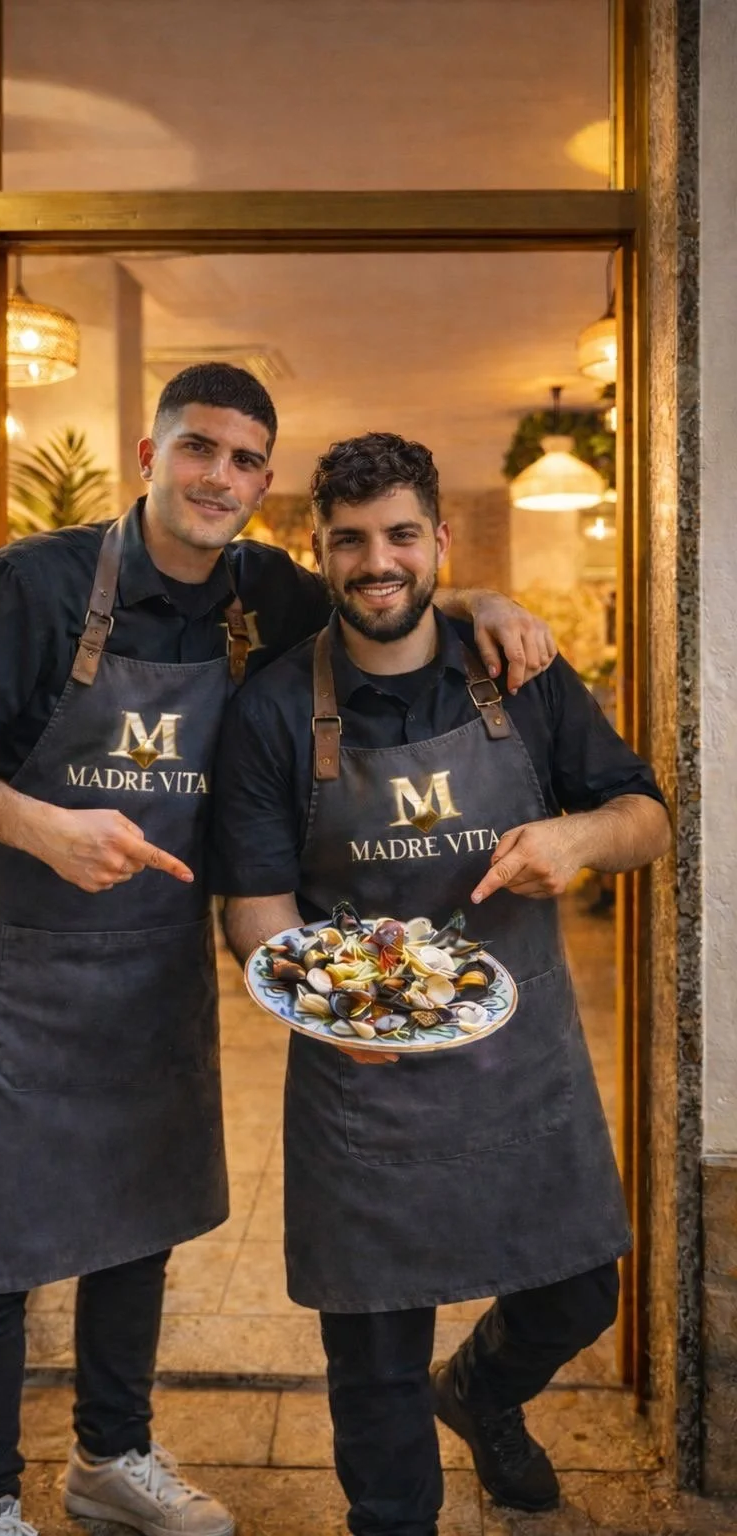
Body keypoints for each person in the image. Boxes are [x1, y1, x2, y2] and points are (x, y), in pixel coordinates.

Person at [0, 373, 555, 1536]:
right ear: (149, 451)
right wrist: (37, 823)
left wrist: (477, 594)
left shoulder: (262, 590)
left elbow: (380, 601)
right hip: (24, 974)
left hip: (155, 971)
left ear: (263, 481)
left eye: (243, 460)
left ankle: (110, 1458)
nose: (217, 478)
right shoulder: (30, 586)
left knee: (139, 1222)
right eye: (198, 449)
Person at [215, 432, 671, 1536]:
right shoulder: (275, 707)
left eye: (401, 535)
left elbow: (645, 815)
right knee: (372, 1348)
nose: (379, 561)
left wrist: (576, 838)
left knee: (575, 1292)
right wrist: (316, 1006)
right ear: (319, 554)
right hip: (360, 1074)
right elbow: (254, 905)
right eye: (351, 541)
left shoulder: (521, 671)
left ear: (438, 542)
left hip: (523, 1064)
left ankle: (479, 1395)